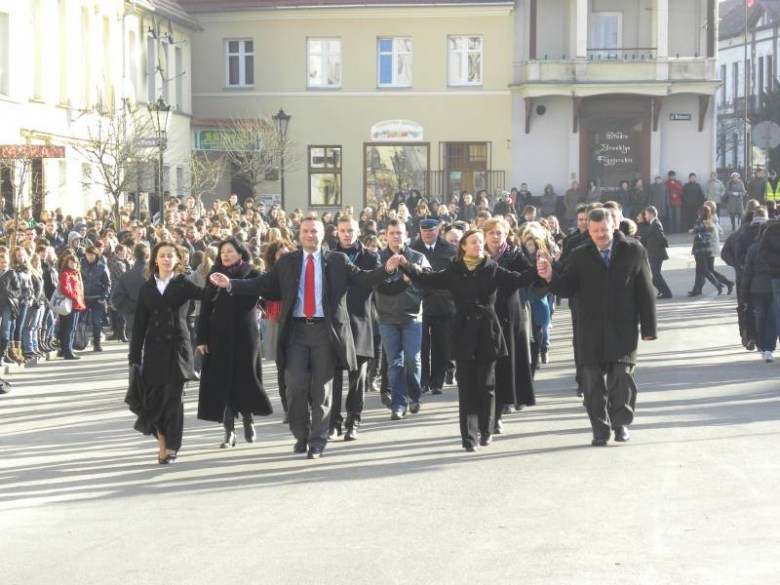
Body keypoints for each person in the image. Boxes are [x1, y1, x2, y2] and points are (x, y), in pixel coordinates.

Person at [209, 218, 400, 460]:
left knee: (322, 388)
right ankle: (302, 433)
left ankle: (318, 441)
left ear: (324, 235)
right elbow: (264, 283)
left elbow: (363, 278)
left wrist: (387, 269)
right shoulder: (288, 261)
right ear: (300, 235)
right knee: (296, 386)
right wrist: (232, 284)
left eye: (314, 231)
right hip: (296, 332)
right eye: (306, 231)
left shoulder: (337, 261)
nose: (310, 235)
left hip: (325, 332)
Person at [398, 229, 541, 451]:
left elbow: (518, 279)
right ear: (463, 245)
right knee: (466, 388)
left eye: (480, 242)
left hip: (488, 332)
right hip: (463, 333)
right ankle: (469, 437)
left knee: (487, 385)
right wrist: (405, 265)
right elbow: (428, 279)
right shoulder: (454, 270)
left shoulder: (491, 268)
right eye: (473, 242)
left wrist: (540, 268)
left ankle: (486, 429)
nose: (478, 245)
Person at [537, 208, 657, 446]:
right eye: (595, 231)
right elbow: (567, 288)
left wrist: (649, 328)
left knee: (621, 379)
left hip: (622, 327)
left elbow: (645, 290)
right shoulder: (580, 255)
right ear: (589, 231)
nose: (601, 235)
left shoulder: (633, 250)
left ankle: (620, 423)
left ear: (613, 226)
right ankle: (600, 430)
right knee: (592, 385)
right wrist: (550, 277)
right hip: (589, 329)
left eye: (604, 229)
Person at [127, 241, 215, 465]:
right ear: (155, 259)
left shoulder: (183, 284)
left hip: (178, 349)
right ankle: (162, 443)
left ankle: (172, 447)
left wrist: (221, 281)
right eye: (162, 255)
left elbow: (208, 296)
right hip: (154, 352)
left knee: (173, 399)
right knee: (154, 402)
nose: (166, 259)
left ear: (177, 260)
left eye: (170, 256)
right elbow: (138, 326)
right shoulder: (147, 289)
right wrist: (134, 359)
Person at [196, 238, 273, 448]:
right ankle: (228, 430)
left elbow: (268, 294)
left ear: (240, 253)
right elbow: (205, 309)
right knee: (224, 382)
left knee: (246, 377)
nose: (225, 255)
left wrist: (262, 305)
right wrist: (201, 338)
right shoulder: (213, 275)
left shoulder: (252, 273)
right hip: (219, 335)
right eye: (222, 252)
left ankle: (248, 420)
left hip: (246, 333)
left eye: (230, 251)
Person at [483, 218, 539, 433]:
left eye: (499, 232)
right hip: (484, 316)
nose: (495, 236)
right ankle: (486, 413)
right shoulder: (477, 254)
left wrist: (542, 265)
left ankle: (497, 415)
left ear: (506, 234)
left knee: (506, 367)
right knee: (487, 369)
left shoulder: (514, 255)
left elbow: (529, 276)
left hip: (509, 314)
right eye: (491, 233)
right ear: (485, 235)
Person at [329, 216, 381, 441]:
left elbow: (380, 281)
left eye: (350, 230)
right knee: (332, 378)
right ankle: (333, 423)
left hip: (360, 323)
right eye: (343, 230)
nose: (347, 234)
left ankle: (353, 422)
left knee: (357, 378)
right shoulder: (327, 256)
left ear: (358, 231)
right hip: (334, 324)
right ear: (337, 233)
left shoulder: (371, 257)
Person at [375, 218, 430, 420]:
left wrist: (410, 270)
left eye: (399, 233)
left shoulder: (418, 256)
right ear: (386, 235)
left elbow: (427, 278)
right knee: (394, 363)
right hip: (387, 318)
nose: (396, 236)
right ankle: (398, 404)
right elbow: (378, 284)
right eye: (392, 233)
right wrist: (402, 279)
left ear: (406, 234)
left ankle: (414, 395)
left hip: (412, 317)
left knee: (413, 361)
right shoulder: (378, 258)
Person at [410, 219, 456, 396]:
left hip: (443, 303)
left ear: (438, 231)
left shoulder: (449, 250)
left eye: (431, 231)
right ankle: (424, 381)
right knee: (421, 345)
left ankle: (437, 381)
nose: (427, 234)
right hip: (419, 302)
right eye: (424, 231)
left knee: (441, 345)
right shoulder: (413, 250)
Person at [741, 224, 776, 361]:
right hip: (773, 287)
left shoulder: (753, 249)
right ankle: (768, 347)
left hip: (757, 289)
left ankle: (762, 346)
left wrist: (744, 294)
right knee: (772, 319)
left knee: (760, 318)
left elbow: (747, 274)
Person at [111, 243, 150, 341]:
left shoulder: (126, 276)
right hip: (153, 319)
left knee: (136, 352)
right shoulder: (156, 274)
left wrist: (130, 309)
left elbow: (116, 299)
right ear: (148, 255)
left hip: (133, 319)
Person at [687, 206, 726, 297]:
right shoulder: (710, 222)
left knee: (704, 269)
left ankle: (718, 285)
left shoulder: (698, 221)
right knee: (699, 270)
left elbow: (697, 235)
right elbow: (707, 235)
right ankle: (696, 290)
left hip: (700, 249)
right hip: (708, 248)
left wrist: (694, 232)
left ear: (700, 212)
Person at [81, 245, 111, 352]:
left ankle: (97, 343)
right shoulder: (81, 265)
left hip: (97, 298)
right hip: (84, 298)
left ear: (96, 255)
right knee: (81, 321)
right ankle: (80, 341)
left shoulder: (102, 266)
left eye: (92, 254)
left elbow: (107, 284)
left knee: (96, 321)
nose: (89, 257)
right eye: (88, 254)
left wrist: (103, 297)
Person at [58, 253, 86, 360]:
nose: (73, 264)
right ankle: (67, 350)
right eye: (71, 262)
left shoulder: (75, 273)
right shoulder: (66, 273)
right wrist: (75, 296)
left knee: (73, 328)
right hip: (71, 303)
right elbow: (65, 289)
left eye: (75, 263)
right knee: (69, 328)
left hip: (76, 303)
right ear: (67, 263)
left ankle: (68, 348)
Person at [641, 206, 672, 299]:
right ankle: (663, 291)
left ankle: (667, 293)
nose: (645, 216)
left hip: (656, 253)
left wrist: (664, 244)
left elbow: (661, 238)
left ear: (651, 214)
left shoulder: (656, 224)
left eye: (646, 214)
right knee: (655, 275)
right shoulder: (653, 223)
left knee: (656, 274)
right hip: (653, 253)